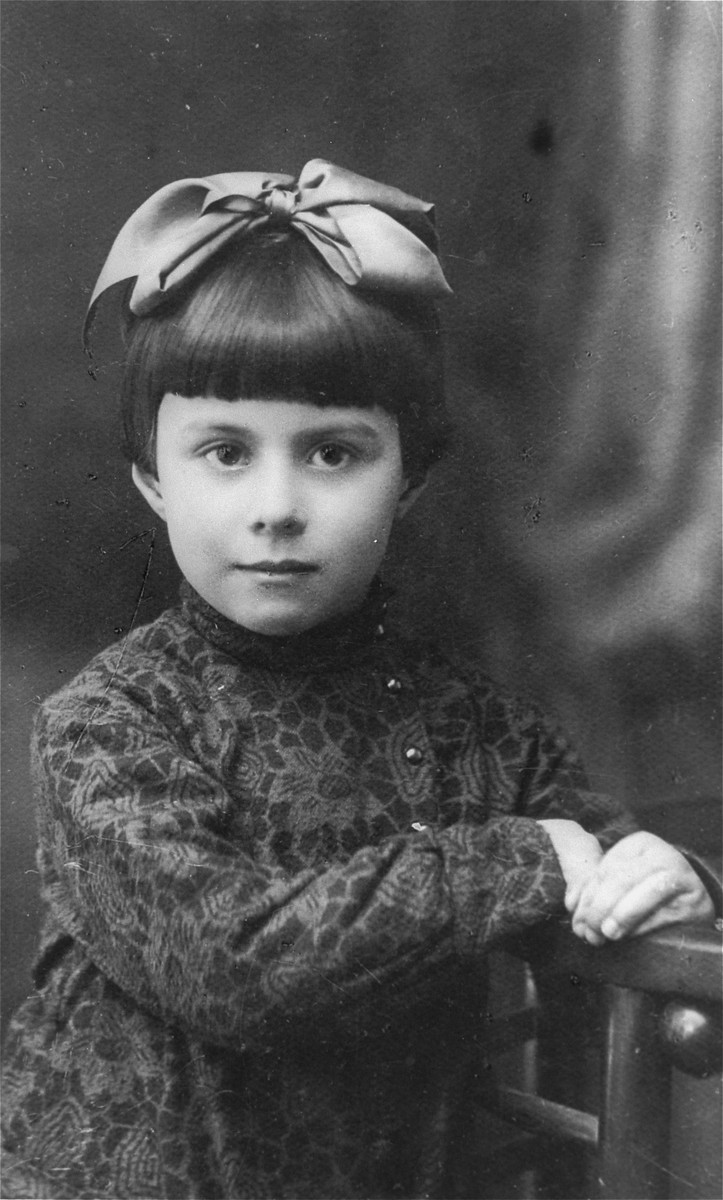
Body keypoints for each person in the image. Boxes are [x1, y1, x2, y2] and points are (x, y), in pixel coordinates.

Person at [1, 159, 717, 1200]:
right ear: (153, 479)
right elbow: (232, 965)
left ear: (409, 477)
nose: (278, 506)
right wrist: (515, 861)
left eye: (333, 454)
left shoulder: (474, 728)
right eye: (225, 452)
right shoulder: (109, 725)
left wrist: (669, 874)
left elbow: (593, 855)